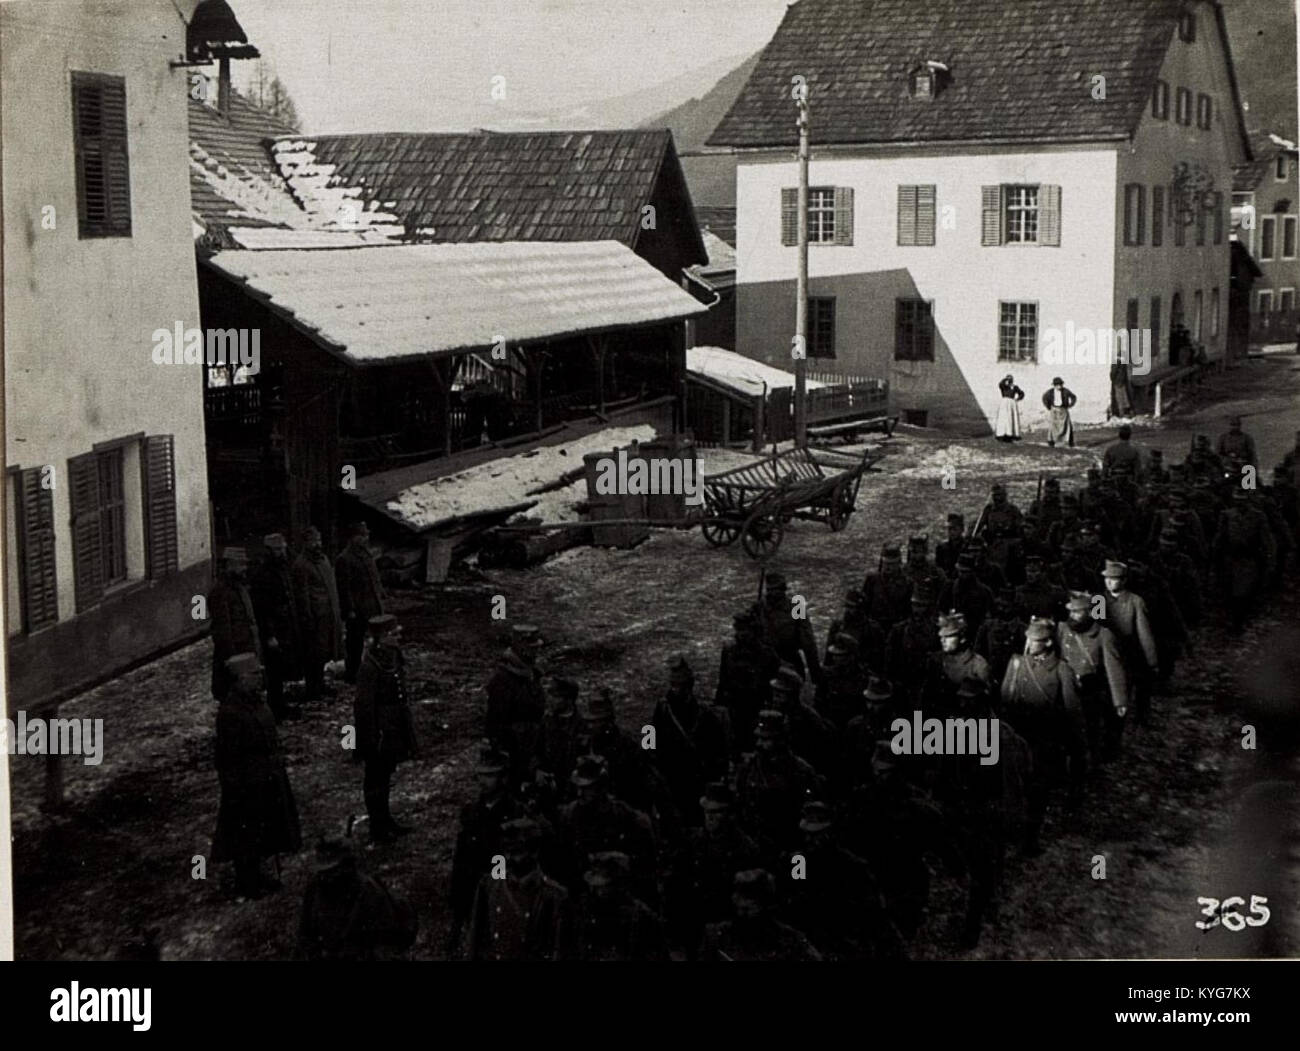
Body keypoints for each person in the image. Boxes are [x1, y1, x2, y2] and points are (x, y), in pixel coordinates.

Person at [211, 653, 301, 900]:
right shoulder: (230, 713)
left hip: (266, 775)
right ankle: (247, 883)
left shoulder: (256, 701)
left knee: (264, 830)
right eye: (254, 674)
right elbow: (226, 758)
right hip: (246, 782)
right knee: (245, 835)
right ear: (239, 680)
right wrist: (235, 788)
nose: (260, 677)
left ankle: (258, 876)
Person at [1000, 618, 1086, 855]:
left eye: (1034, 640)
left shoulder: (1061, 670)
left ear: (1048, 642)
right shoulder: (1016, 663)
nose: (1028, 643)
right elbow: (1005, 700)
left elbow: (1072, 711)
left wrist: (1077, 745)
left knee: (1037, 792)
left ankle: (1030, 840)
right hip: (1016, 739)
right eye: (1028, 638)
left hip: (1044, 743)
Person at [297, 833, 418, 960]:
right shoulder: (315, 888)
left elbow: (385, 943)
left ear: (347, 867)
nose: (326, 877)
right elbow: (305, 934)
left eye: (332, 870)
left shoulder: (368, 891)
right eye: (322, 871)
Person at [466, 818, 572, 961]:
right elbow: (475, 941)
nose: (509, 858)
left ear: (534, 852)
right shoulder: (489, 885)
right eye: (506, 851)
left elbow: (558, 951)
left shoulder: (554, 895)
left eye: (517, 852)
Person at [354, 614, 418, 842]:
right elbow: (363, 706)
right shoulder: (370, 667)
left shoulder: (392, 657)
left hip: (393, 725)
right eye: (394, 634)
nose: (398, 637)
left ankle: (386, 819)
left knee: (386, 774)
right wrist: (369, 738)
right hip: (379, 730)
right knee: (375, 778)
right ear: (381, 638)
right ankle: (377, 826)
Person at [651, 655, 729, 826]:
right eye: (672, 685)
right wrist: (649, 757)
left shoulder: (705, 715)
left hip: (696, 780)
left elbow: (719, 751)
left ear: (689, 688)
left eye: (679, 686)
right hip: (670, 777)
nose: (674, 690)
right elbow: (649, 733)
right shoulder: (663, 709)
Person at [1056, 592, 1128, 762]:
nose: (1073, 616)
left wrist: (1120, 701)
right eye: (1071, 612)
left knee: (1091, 727)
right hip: (1067, 688)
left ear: (1089, 612)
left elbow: (1114, 668)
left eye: (1077, 612)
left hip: (1090, 690)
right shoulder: (1063, 630)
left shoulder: (1103, 635)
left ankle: (1094, 761)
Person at [700, 869, 823, 961]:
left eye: (752, 899)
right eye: (741, 896)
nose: (744, 905)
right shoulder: (715, 936)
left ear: (767, 903)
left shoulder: (791, 940)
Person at [484, 624, 547, 786]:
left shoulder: (531, 673)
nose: (536, 651)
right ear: (520, 647)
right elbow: (496, 723)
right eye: (532, 647)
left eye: (537, 647)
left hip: (533, 741)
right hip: (515, 746)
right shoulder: (502, 680)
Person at [250, 532, 301, 721]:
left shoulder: (284, 567)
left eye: (282, 548)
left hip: (285, 623)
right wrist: (269, 634)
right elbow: (262, 609)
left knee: (282, 666)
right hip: (273, 626)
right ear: (270, 551)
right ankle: (276, 707)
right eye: (277, 549)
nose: (281, 552)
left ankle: (280, 704)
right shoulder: (263, 574)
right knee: (274, 670)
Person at [292, 525, 343, 704]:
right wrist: (308, 618)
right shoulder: (301, 565)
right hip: (315, 618)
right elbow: (302, 595)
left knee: (324, 653)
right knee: (313, 655)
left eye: (319, 540)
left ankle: (320, 684)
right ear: (306, 543)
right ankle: (313, 688)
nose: (317, 544)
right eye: (313, 541)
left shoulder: (323, 560)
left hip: (328, 616)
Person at [335, 521, 386, 684]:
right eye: (362, 535)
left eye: (366, 535)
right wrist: (349, 609)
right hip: (357, 608)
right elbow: (344, 588)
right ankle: (353, 674)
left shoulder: (366, 553)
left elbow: (374, 577)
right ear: (353, 538)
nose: (366, 538)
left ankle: (376, 669)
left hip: (372, 604)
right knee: (354, 643)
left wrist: (380, 593)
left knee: (378, 639)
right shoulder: (345, 558)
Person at [209, 548, 260, 702]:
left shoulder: (239, 587)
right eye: (241, 565)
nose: (245, 568)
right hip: (235, 654)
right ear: (230, 565)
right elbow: (223, 629)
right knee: (233, 694)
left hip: (245, 648)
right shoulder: (221, 592)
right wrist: (232, 660)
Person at [1041, 376, 1077, 448]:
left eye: (1060, 384)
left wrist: (1070, 405)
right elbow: (1044, 398)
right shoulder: (1050, 392)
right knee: (1052, 426)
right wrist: (1048, 407)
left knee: (1068, 425)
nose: (1059, 386)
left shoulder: (1066, 391)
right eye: (1057, 385)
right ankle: (1051, 441)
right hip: (1054, 410)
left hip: (1063, 409)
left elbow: (1073, 397)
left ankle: (1070, 442)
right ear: (1054, 385)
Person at [995, 374, 1025, 441]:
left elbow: (1022, 393)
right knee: (1004, 418)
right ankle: (1001, 434)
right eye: (1008, 379)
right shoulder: (1004, 386)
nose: (1009, 380)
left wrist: (1017, 399)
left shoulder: (1015, 387)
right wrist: (1005, 379)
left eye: (1010, 379)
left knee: (1011, 418)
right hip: (1004, 403)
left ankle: (1010, 434)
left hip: (1012, 403)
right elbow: (1000, 384)